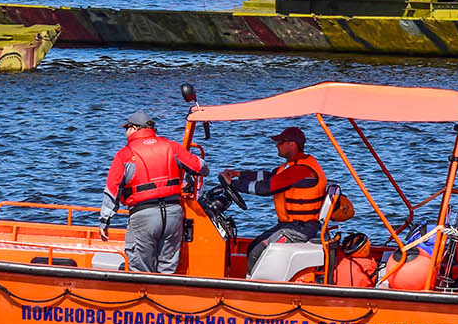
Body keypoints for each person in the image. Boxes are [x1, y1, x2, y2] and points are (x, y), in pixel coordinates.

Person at [100, 110, 206, 274]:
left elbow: (112, 190)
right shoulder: (172, 146)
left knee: (141, 269)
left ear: (134, 128)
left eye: (127, 128)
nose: (125, 132)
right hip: (173, 215)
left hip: (143, 216)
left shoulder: (125, 154)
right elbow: (201, 168)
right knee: (167, 268)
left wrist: (104, 220)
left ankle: (143, 297)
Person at [221, 126, 328, 276]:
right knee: (253, 246)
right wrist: (237, 174)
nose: (277, 145)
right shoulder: (292, 166)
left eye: (280, 142)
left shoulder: (301, 170)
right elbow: (267, 176)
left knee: (257, 252)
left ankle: (252, 289)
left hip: (300, 229)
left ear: (292, 144)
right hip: (291, 225)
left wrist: (233, 185)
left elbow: (267, 188)